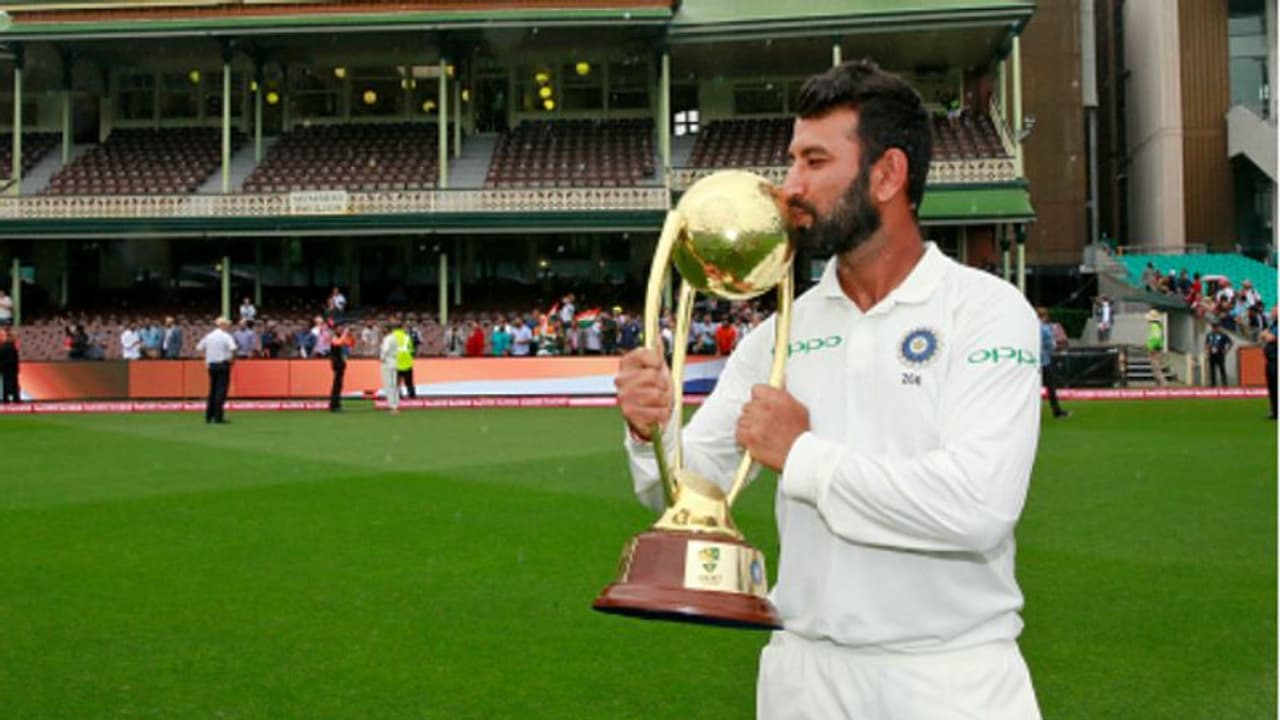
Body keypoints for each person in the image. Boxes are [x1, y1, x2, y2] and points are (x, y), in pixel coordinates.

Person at [615, 60, 1042, 719]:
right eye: (792, 161)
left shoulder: (984, 310)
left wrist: (802, 454)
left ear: (888, 175)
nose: (791, 188)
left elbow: (978, 505)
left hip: (950, 675)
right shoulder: (777, 335)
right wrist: (651, 430)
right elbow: (689, 487)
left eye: (815, 162)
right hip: (803, 675)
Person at [196, 317, 237, 424]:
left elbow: (199, 347)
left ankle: (209, 416)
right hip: (222, 364)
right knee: (221, 391)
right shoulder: (226, 336)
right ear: (223, 325)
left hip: (211, 365)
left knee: (212, 390)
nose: (228, 326)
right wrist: (232, 360)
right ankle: (218, 416)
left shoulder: (209, 336)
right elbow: (233, 348)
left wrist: (206, 359)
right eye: (227, 325)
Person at [1038, 307, 1069, 418]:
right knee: (1051, 388)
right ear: (1045, 316)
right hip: (1045, 361)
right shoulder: (1045, 329)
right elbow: (1051, 345)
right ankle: (1057, 411)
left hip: (1033, 362)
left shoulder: (1031, 327)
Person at [328, 323, 355, 412]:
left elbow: (351, 344)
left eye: (341, 329)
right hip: (336, 362)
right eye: (339, 329)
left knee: (339, 384)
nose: (341, 330)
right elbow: (338, 343)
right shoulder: (333, 337)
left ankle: (336, 404)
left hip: (341, 362)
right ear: (335, 330)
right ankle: (334, 405)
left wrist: (350, 335)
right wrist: (345, 334)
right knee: (337, 384)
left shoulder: (341, 337)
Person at [379, 321, 402, 413]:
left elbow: (385, 350)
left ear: (386, 329)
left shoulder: (387, 338)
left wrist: (382, 358)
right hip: (395, 361)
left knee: (388, 384)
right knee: (394, 384)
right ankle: (395, 404)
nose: (381, 330)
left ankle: (392, 405)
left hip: (387, 362)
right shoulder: (395, 338)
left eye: (383, 328)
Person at [391, 319, 417, 399]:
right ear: (402, 328)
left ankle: (398, 395)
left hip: (395, 361)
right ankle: (411, 395)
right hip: (407, 361)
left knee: (396, 380)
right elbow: (412, 349)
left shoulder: (391, 337)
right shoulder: (407, 337)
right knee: (409, 381)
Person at [1204, 322, 1233, 387]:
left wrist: (1226, 350)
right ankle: (1213, 383)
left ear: (1219, 327)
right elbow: (1206, 343)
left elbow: (1231, 342)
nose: (1214, 328)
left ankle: (1224, 383)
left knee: (1222, 368)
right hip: (1212, 353)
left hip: (1220, 353)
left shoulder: (1223, 335)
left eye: (1216, 327)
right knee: (1212, 369)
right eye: (1213, 327)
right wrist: (1207, 349)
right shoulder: (1209, 335)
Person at [1145, 309, 1168, 386]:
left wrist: (1151, 347)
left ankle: (1163, 383)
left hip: (1155, 349)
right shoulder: (1157, 326)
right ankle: (1159, 384)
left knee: (1156, 368)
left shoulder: (1154, 326)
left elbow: (1155, 338)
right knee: (1155, 368)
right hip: (1156, 348)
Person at [1262, 307, 1277, 420]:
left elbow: (1269, 338)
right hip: (1270, 360)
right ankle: (1275, 411)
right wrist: (1266, 334)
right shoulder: (1273, 325)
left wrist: (1266, 334)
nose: (1272, 313)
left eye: (1274, 311)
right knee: (1272, 387)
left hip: (1276, 360)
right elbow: (1262, 335)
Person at [0, 326, 19, 403]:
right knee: (12, 384)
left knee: (7, 384)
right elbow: (13, 358)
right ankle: (14, 398)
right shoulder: (9, 346)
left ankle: (7, 398)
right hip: (10, 368)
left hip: (7, 368)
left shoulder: (6, 346)